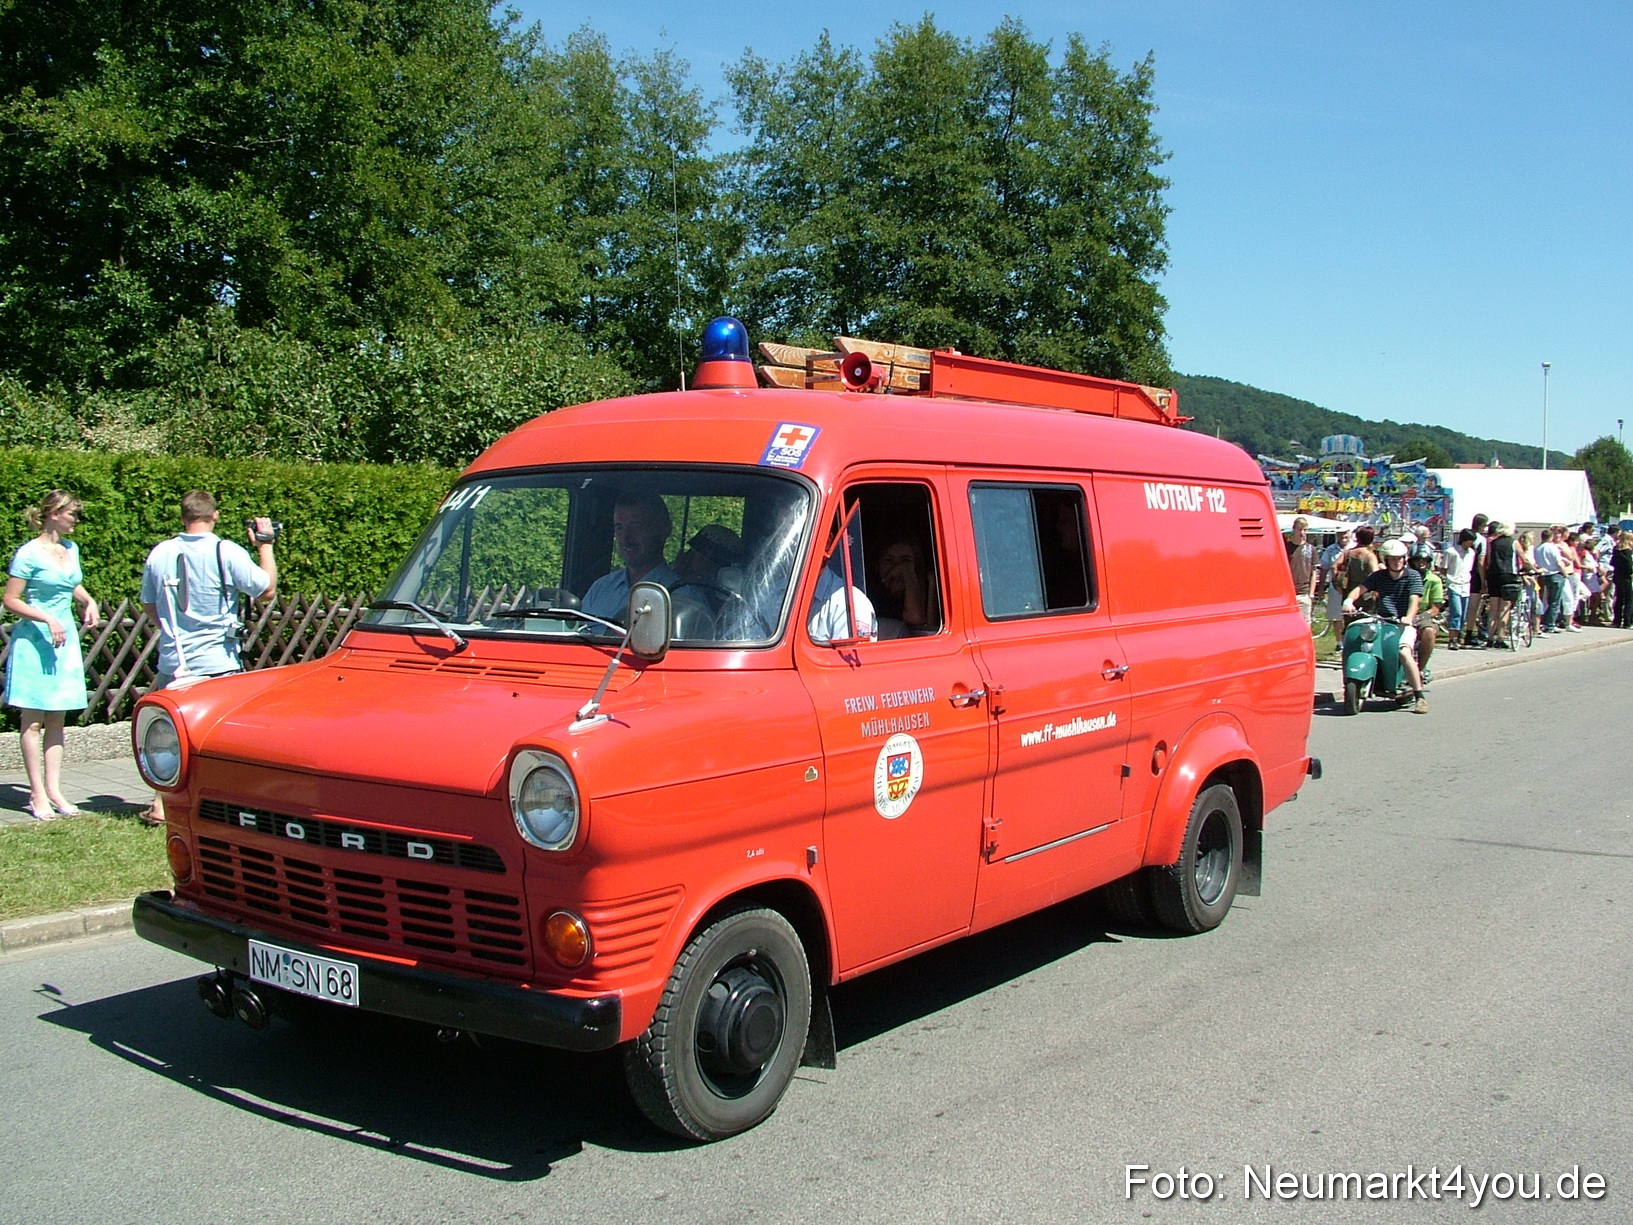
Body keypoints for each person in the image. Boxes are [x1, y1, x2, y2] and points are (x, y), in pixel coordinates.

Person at [140, 491, 277, 824]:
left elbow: (148, 604)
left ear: (183, 516)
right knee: (219, 738)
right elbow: (266, 589)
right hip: (219, 661)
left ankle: (161, 804)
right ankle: (220, 799)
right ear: (214, 515)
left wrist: (172, 631)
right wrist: (266, 546)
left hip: (174, 660)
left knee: (169, 733)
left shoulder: (160, 553)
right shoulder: (225, 551)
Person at [3, 491, 101, 820]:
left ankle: (55, 789)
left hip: (64, 641)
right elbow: (11, 599)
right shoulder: (29, 553)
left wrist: (88, 600)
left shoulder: (71, 549)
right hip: (35, 642)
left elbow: (68, 583)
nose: (77, 519)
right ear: (54, 513)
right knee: (32, 722)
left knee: (58, 717)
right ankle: (36, 793)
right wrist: (45, 618)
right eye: (72, 513)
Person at [1343, 538, 1427, 713]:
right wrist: (1349, 600)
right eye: (1392, 558)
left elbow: (1414, 601)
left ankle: (1420, 697)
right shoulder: (1379, 576)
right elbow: (1361, 588)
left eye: (1400, 558)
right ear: (1385, 560)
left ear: (1405, 559)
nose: (1397, 561)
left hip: (1403, 623)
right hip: (1382, 621)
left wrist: (1408, 617)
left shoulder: (1413, 576)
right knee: (1363, 643)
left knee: (1403, 652)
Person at [581, 493, 681, 623]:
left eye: (636, 526)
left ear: (663, 530)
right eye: (619, 527)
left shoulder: (680, 594)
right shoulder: (601, 588)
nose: (625, 537)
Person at [874, 536, 935, 631]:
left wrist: (907, 572)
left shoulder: (927, 589)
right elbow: (915, 617)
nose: (897, 568)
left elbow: (917, 619)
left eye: (906, 560)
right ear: (878, 565)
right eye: (889, 560)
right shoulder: (872, 596)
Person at [1482, 521, 1521, 648]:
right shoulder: (1513, 543)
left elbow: (1487, 560)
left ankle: (1489, 637)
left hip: (1493, 575)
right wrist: (1534, 569)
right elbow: (1524, 559)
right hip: (1508, 575)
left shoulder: (1493, 543)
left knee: (1493, 608)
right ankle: (1500, 637)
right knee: (1504, 608)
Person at [1410, 543, 1443, 674]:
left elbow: (1435, 609)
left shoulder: (1434, 580)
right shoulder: (1405, 576)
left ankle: (1420, 669)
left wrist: (1419, 618)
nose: (1421, 563)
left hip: (1422, 617)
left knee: (1429, 631)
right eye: (1418, 560)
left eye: (1424, 560)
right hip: (1402, 616)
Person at [1442, 528, 1477, 650]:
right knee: (1456, 612)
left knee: (1463, 614)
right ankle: (1452, 639)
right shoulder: (1451, 552)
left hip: (1465, 584)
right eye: (1470, 541)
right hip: (1454, 584)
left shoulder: (1471, 553)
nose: (1471, 543)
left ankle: (1459, 636)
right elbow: (1444, 568)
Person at [1285, 516, 1319, 625]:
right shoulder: (1286, 548)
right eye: (1300, 529)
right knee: (1288, 623)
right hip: (1289, 592)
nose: (1302, 532)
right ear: (1294, 529)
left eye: (1305, 530)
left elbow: (1314, 572)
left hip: (1304, 592)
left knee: (1305, 623)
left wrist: (1311, 593)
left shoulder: (1311, 549)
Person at [1612, 531, 1633, 629]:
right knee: (1629, 600)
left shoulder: (1616, 550)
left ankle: (1617, 621)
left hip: (1617, 576)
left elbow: (1612, 562)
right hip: (1627, 577)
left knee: (1619, 599)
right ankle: (1627, 622)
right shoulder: (1627, 551)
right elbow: (1629, 566)